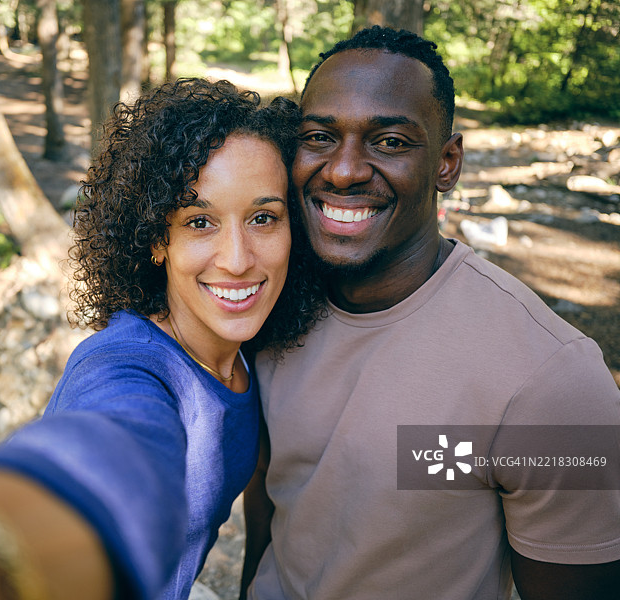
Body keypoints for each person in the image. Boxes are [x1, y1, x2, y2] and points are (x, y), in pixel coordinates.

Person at [0, 78, 323, 600]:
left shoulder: (253, 354)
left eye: (263, 218)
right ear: (157, 240)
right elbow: (108, 448)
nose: (238, 259)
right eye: (200, 222)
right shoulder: (123, 365)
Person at [241, 26, 620, 600]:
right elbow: (270, 501)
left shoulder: (555, 378)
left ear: (447, 163)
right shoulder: (268, 302)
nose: (343, 170)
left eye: (390, 141)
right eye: (318, 136)